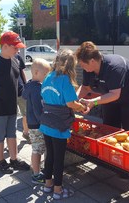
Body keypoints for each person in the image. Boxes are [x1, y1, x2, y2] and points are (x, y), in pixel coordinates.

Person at [40, 49, 86, 200]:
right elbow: (70, 103)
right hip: (59, 125)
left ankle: (48, 186)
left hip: (46, 123)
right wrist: (81, 107)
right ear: (71, 66)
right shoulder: (65, 79)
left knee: (50, 156)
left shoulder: (48, 76)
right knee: (59, 159)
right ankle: (58, 191)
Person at [0, 31, 30, 174]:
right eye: (15, 47)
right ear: (5, 46)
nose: (18, 50)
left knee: (12, 134)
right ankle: (0, 161)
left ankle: (14, 159)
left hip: (11, 105)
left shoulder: (14, 60)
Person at [76, 41, 129, 130]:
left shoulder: (114, 66)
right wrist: (73, 99)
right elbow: (85, 88)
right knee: (109, 126)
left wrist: (93, 102)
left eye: (83, 65)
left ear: (92, 61)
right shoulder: (88, 70)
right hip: (110, 94)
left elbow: (115, 94)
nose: (82, 68)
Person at [22, 58, 51, 184]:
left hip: (32, 123)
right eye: (45, 74)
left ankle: (36, 170)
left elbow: (24, 96)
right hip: (38, 123)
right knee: (38, 149)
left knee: (36, 147)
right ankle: (36, 175)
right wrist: (44, 121)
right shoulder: (37, 89)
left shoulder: (29, 85)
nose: (46, 77)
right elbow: (37, 108)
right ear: (36, 73)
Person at [15, 52, 30, 143]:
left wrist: (25, 84)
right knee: (12, 117)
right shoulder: (1, 59)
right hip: (10, 94)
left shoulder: (18, 57)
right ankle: (11, 140)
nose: (19, 51)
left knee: (25, 114)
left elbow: (22, 72)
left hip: (21, 90)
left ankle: (26, 133)